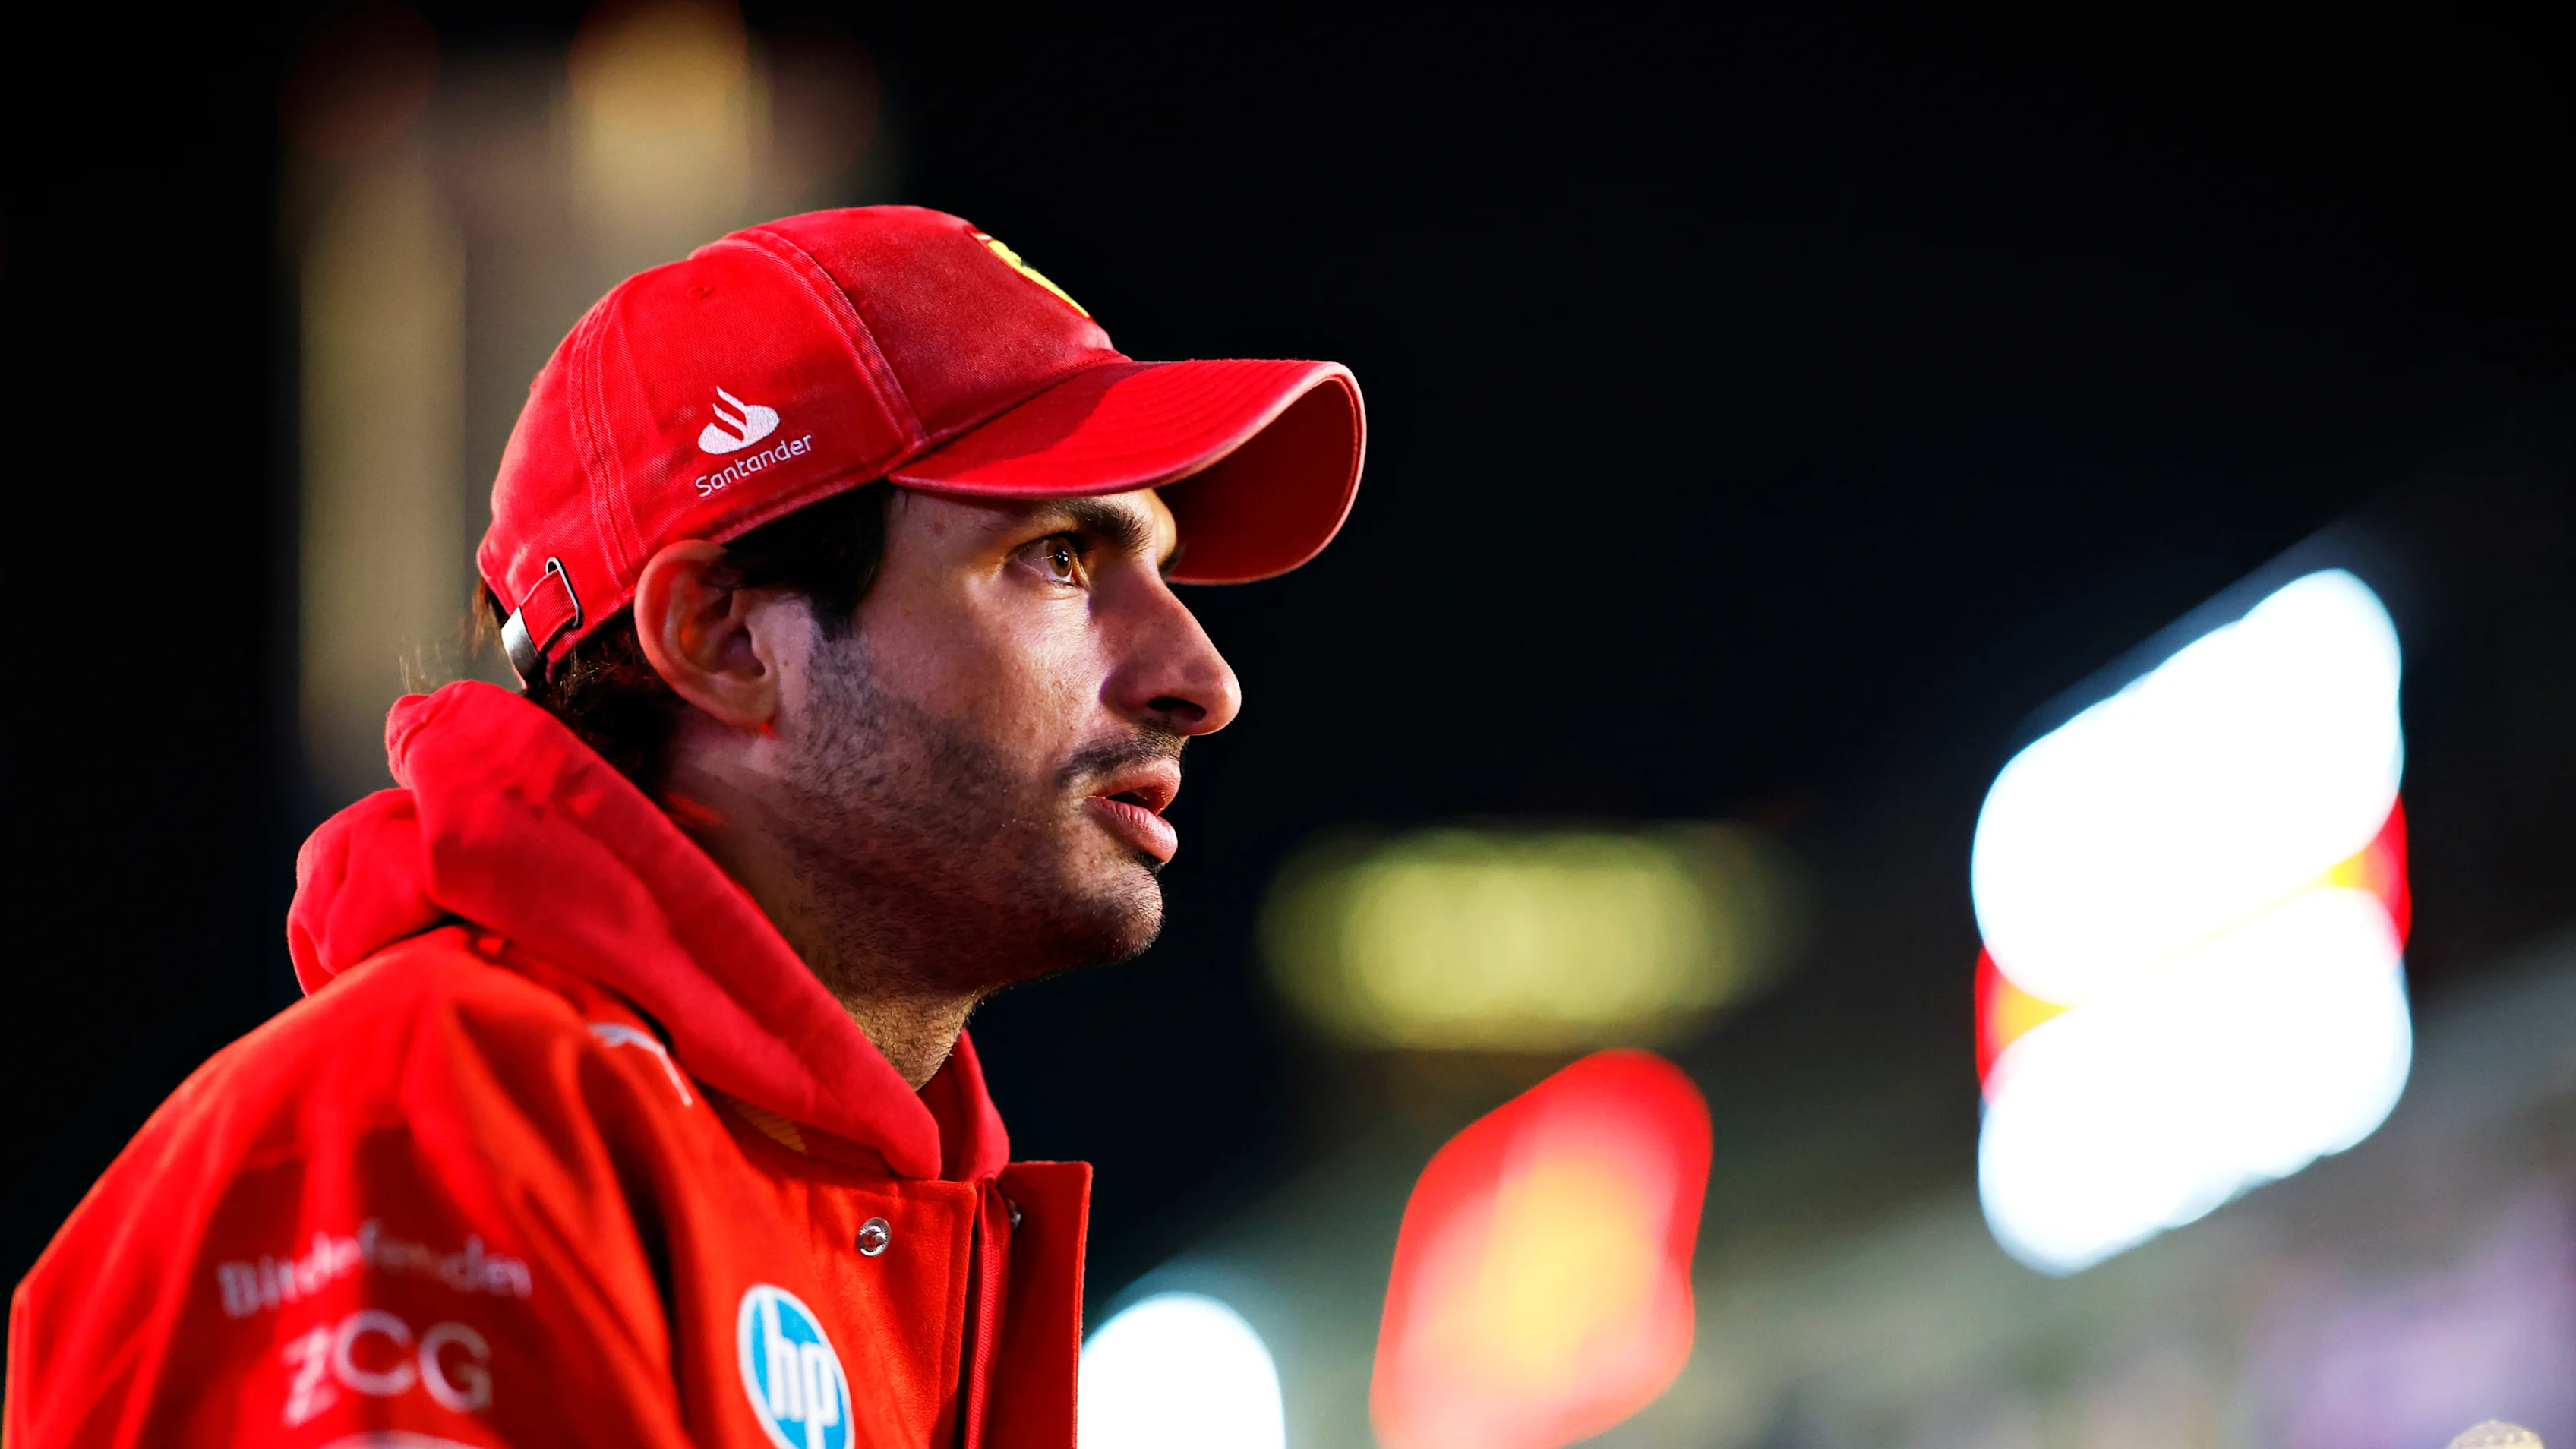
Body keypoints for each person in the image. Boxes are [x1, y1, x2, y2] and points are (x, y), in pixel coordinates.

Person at [5, 204, 1364, 1448]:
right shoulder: (430, 1135)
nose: (1205, 679)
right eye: (1057, 556)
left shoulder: (861, 1194)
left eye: (1160, 568)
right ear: (721, 639)